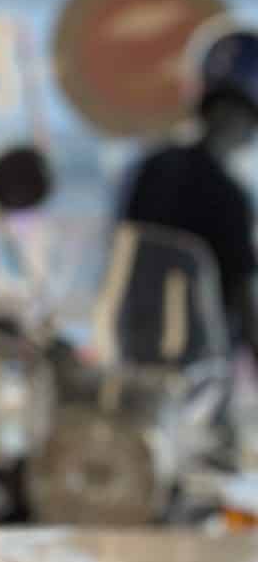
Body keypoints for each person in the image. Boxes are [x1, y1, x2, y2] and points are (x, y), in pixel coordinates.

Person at [117, 28, 258, 362]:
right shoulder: (228, 194)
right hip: (201, 362)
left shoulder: (153, 167)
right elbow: (243, 294)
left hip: (137, 346)